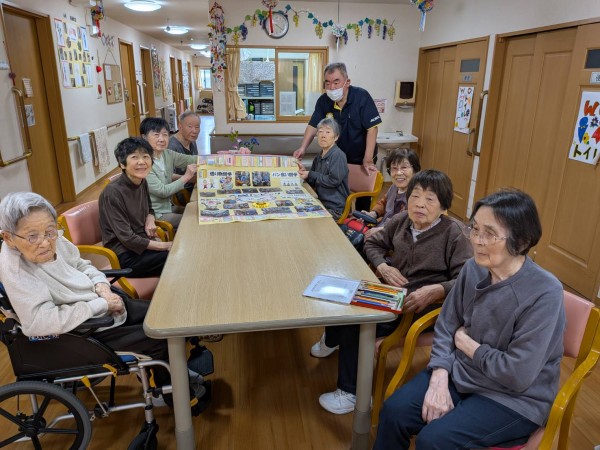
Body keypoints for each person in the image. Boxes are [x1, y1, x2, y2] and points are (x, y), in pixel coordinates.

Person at [374, 189, 565, 449]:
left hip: (514, 397)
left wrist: (469, 346)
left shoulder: (545, 292)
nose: (477, 241)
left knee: (433, 441)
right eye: (474, 229)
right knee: (394, 412)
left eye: (490, 234)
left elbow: (517, 374)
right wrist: (440, 374)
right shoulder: (473, 268)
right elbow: (446, 326)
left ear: (521, 242)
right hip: (463, 372)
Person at [0, 192, 204, 403]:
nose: (45, 242)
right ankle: (172, 394)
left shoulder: (52, 236)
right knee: (160, 337)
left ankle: (175, 373)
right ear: (8, 238)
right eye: (32, 236)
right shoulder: (17, 271)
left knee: (166, 318)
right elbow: (39, 322)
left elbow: (81, 265)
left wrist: (103, 287)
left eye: (50, 232)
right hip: (84, 328)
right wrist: (101, 304)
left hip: (100, 301)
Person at [312, 170, 473, 414]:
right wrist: (383, 266)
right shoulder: (401, 220)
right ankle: (333, 341)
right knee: (342, 299)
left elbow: (467, 281)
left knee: (356, 323)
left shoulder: (454, 234)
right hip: (392, 295)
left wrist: (438, 289)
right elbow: (372, 242)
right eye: (415, 196)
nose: (420, 204)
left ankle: (353, 393)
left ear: (443, 206)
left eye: (430, 199)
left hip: (421, 306)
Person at [293, 62, 382, 211]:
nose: (332, 87)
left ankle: (361, 221)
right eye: (327, 83)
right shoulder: (324, 101)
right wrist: (302, 148)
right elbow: (313, 125)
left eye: (336, 82)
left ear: (347, 82)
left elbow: (372, 129)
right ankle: (339, 215)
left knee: (362, 200)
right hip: (337, 157)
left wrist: (367, 158)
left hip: (361, 156)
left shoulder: (361, 97)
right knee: (337, 193)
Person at [99, 137, 172, 278]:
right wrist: (165, 245)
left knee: (179, 256)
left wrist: (150, 218)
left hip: (143, 245)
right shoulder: (112, 192)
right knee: (176, 259)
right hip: (125, 256)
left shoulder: (141, 181)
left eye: (145, 156)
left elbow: (149, 208)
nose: (141, 162)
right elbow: (127, 238)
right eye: (134, 157)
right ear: (122, 164)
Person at [141, 117, 198, 229]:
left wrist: (223, 157)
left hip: (168, 207)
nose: (161, 139)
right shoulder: (142, 163)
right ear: (144, 137)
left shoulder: (167, 154)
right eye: (156, 135)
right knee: (194, 220)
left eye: (165, 134)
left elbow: (191, 159)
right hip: (156, 214)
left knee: (198, 212)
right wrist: (186, 177)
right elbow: (163, 191)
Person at [298, 118, 349, 220]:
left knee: (304, 219)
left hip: (335, 209)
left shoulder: (338, 155)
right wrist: (305, 173)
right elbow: (313, 181)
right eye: (320, 131)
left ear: (336, 137)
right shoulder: (319, 157)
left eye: (328, 132)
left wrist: (310, 174)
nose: (323, 135)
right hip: (320, 202)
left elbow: (333, 180)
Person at [363, 148, 421, 238]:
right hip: (382, 227)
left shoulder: (417, 195)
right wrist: (373, 214)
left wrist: (382, 230)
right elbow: (384, 203)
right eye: (394, 168)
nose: (398, 173)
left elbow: (407, 225)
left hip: (396, 236)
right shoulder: (394, 187)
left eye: (404, 167)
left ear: (415, 170)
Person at [169, 110, 201, 193]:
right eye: (190, 126)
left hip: (194, 184)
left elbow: (196, 162)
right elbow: (169, 176)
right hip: (180, 190)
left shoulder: (192, 141)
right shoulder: (172, 146)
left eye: (197, 127)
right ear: (180, 127)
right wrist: (191, 178)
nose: (194, 131)